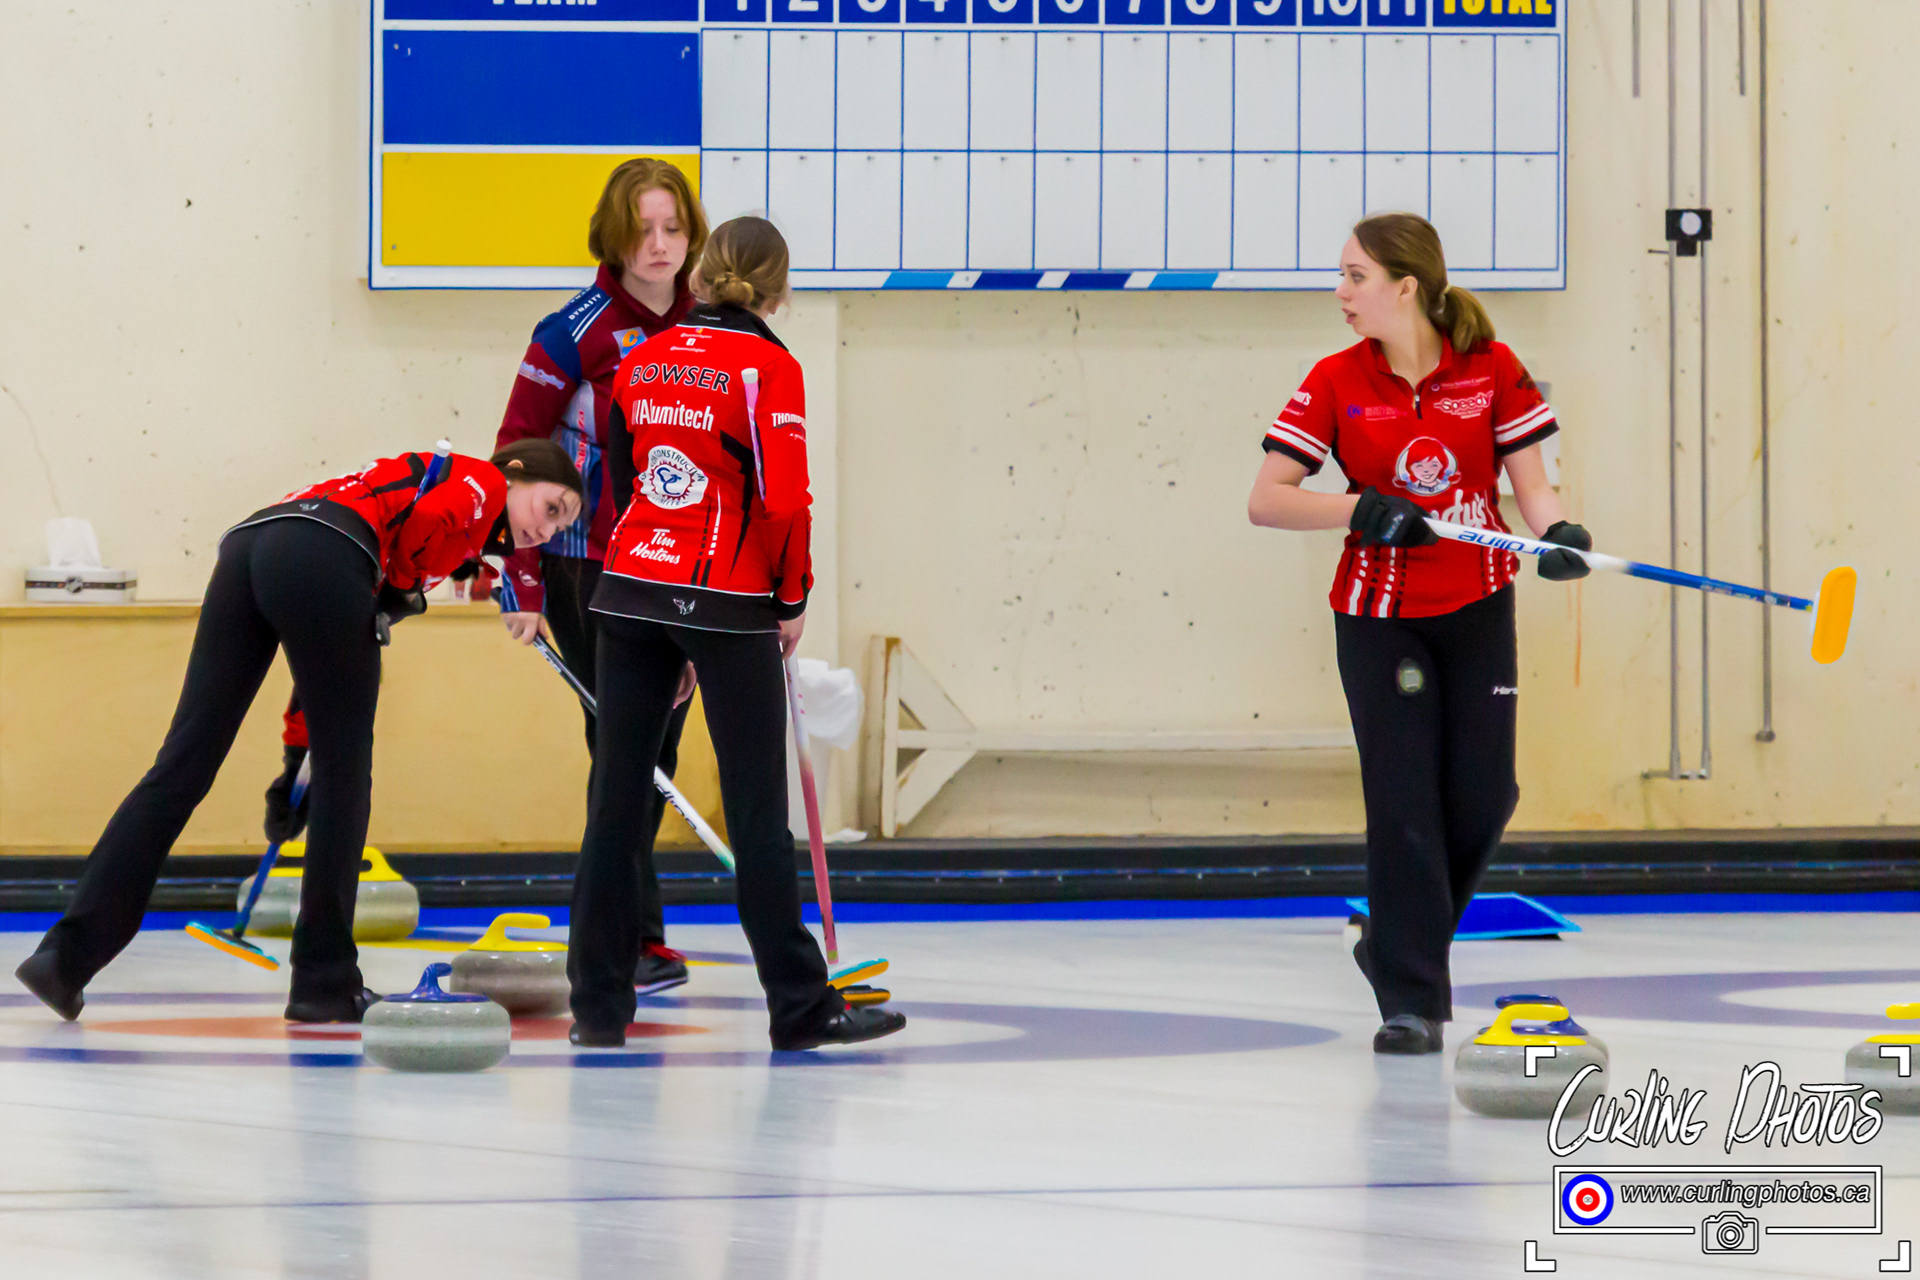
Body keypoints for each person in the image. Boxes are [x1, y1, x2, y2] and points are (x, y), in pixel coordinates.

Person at [15, 441, 585, 1025]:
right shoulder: (483, 481)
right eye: (551, 508)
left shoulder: (440, 508)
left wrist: (295, 760)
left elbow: (318, 654)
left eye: (561, 526)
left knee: (182, 764)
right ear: (518, 472)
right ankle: (324, 982)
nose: (547, 531)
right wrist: (401, 588)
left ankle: (64, 959)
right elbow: (429, 523)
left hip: (253, 544)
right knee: (345, 776)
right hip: (330, 549)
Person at [1246, 213, 1591, 1055]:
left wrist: (1558, 534)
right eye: (1342, 275)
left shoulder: (1492, 367)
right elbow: (1267, 499)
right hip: (1379, 618)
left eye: (1355, 276)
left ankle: (1392, 943)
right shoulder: (1335, 379)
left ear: (1406, 288)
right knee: (1404, 802)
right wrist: (1358, 508)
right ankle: (1410, 1000)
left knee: (1485, 794)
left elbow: (1531, 486)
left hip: (1478, 605)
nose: (1340, 292)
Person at [569, 216, 906, 1051]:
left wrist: (663, 620)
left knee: (614, 806)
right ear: (778, 290)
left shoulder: (641, 358)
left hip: (632, 590)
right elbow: (784, 501)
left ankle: (598, 1013)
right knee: (757, 813)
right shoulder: (769, 367)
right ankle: (799, 1007)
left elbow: (624, 482)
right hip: (726, 597)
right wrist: (791, 597)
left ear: (700, 275)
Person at [490, 157, 710, 995]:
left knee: (656, 747)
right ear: (612, 238)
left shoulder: (710, 324)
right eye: (641, 230)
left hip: (684, 568)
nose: (659, 246)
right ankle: (625, 941)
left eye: (673, 228)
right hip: (590, 568)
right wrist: (521, 579)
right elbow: (514, 454)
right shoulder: (570, 331)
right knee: (623, 746)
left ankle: (623, 934)